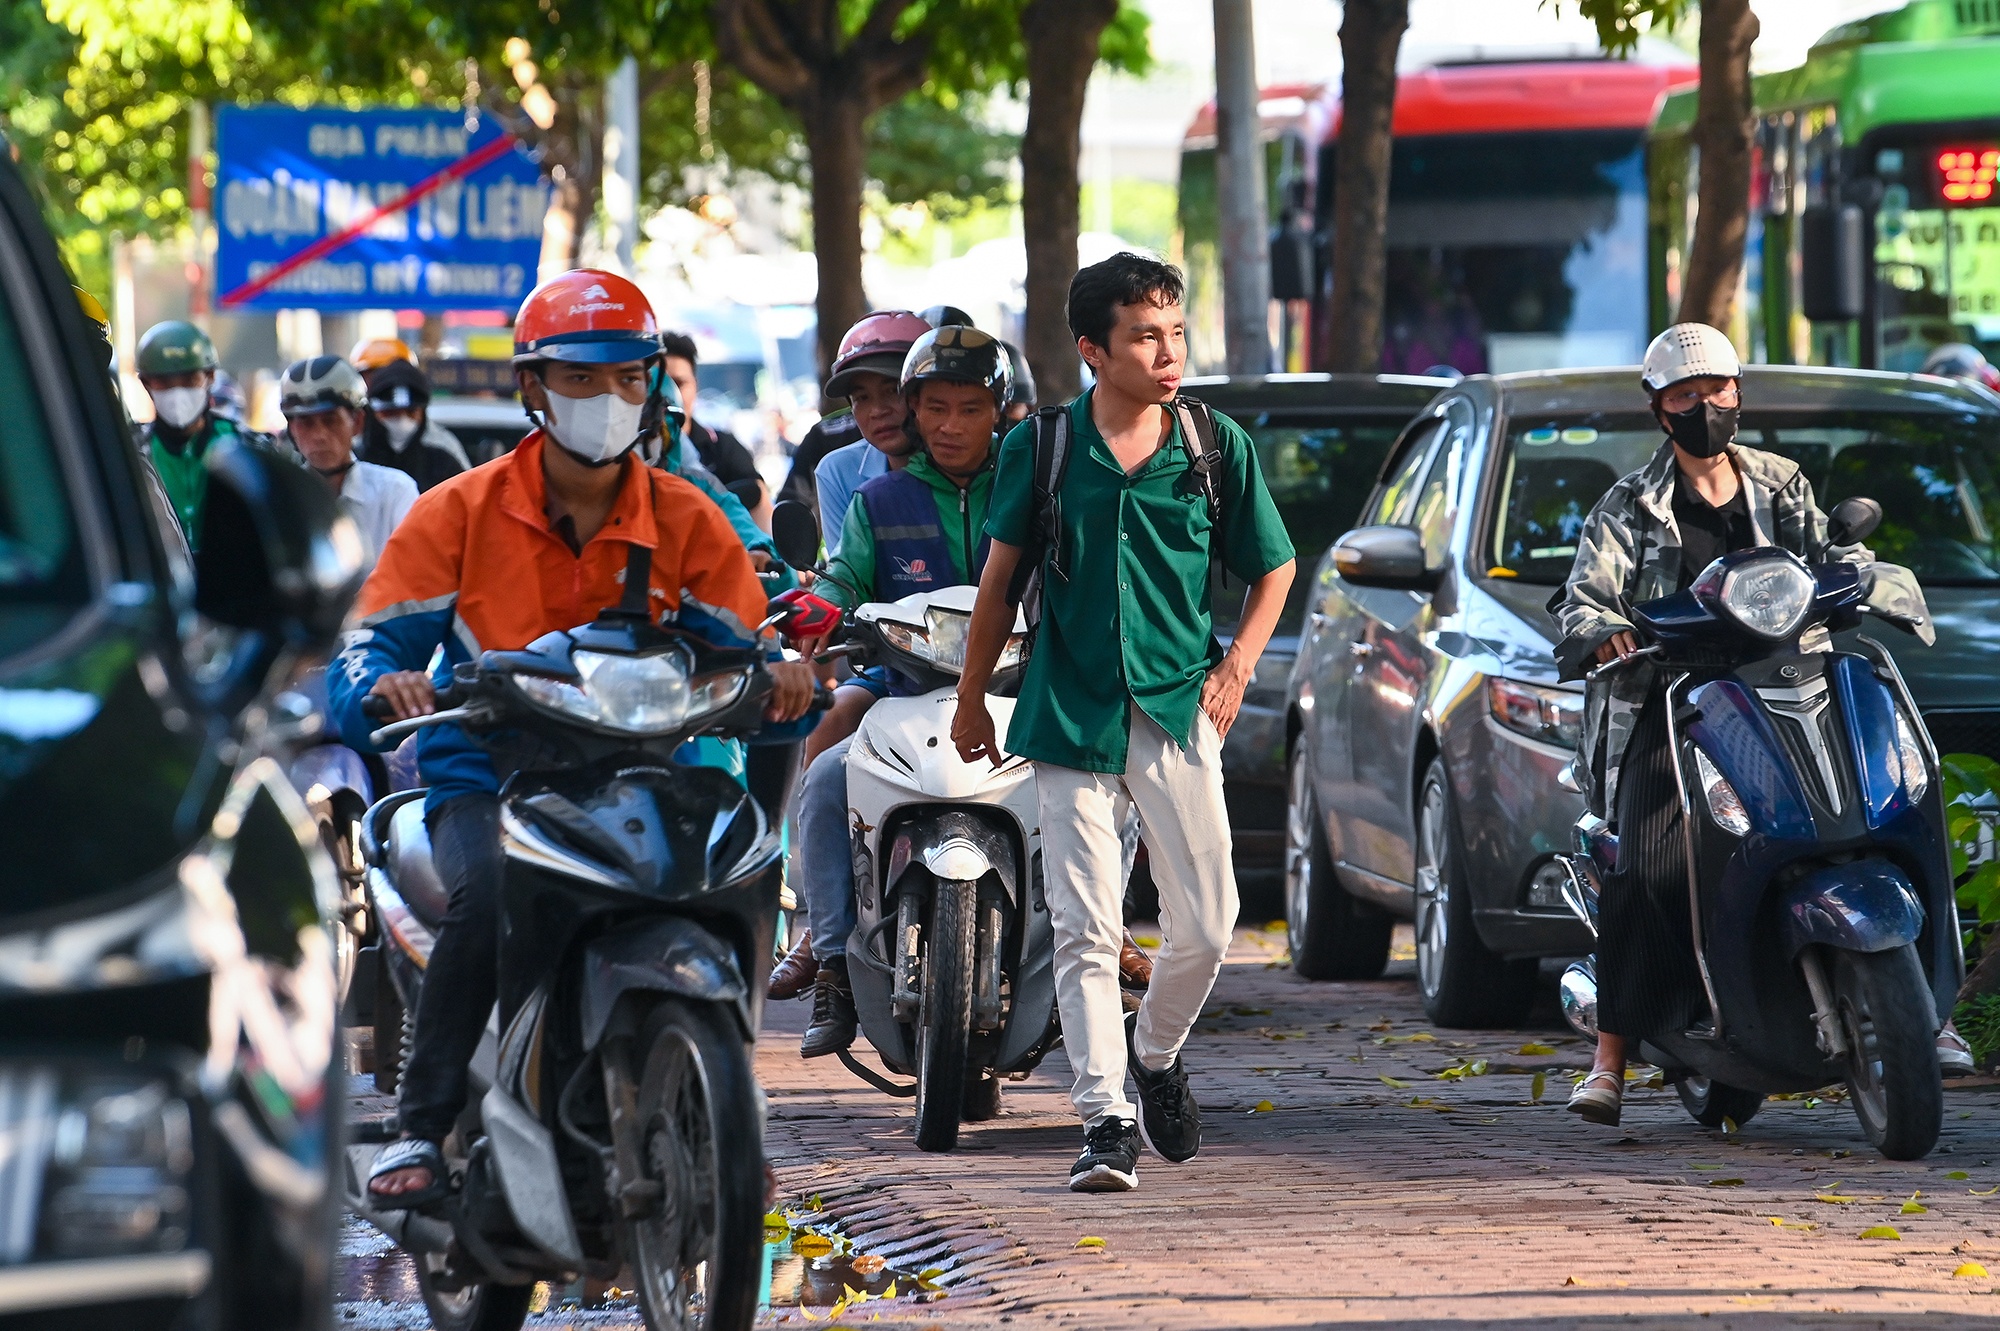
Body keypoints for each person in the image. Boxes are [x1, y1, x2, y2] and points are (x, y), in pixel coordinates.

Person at [332, 269, 818, 1209]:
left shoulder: (686, 516)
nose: (610, 400)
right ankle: (422, 1127)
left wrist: (785, 674)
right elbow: (372, 644)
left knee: (737, 868)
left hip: (646, 773)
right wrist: (384, 684)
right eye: (582, 380)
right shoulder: (459, 510)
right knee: (485, 899)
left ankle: (725, 1098)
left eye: (630, 379)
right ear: (533, 389)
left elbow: (753, 647)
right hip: (487, 777)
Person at [951, 253, 1296, 1192]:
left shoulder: (1213, 444)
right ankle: (1105, 1117)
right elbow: (1000, 581)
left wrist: (1238, 666)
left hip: (1180, 706)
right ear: (1094, 350)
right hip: (1069, 712)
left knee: (1212, 922)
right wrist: (973, 693)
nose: (1168, 351)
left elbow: (1274, 567)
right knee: (1086, 926)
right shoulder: (1045, 446)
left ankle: (1155, 1053)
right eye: (1145, 336)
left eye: (1176, 332)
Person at [1553, 322, 1946, 1125]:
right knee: (1646, 863)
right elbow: (1583, 599)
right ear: (1660, 410)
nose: (1705, 406)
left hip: (1793, 685)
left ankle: (1930, 1017)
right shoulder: (1629, 505)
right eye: (1685, 396)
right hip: (1674, 708)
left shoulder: (1782, 483)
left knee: (1901, 797)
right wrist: (1606, 631)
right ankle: (1611, 1058)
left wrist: (1860, 580)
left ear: (1739, 393)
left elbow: (1836, 559)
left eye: (1718, 390)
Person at [790, 324, 1012, 1056]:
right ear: (917, 413)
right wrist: (814, 611)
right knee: (825, 778)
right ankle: (832, 962)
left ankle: (1105, 939)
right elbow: (841, 580)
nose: (951, 426)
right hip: (903, 695)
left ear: (999, 409)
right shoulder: (879, 501)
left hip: (1021, 695)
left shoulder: (1031, 488)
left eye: (970, 408)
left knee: (1111, 774)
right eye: (935, 408)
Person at [134, 319, 269, 550]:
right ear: (146, 383)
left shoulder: (250, 447)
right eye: (164, 382)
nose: (177, 393)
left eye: (189, 380)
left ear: (211, 377)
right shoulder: (130, 452)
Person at [808, 311, 932, 553]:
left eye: (893, 391)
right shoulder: (837, 472)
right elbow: (846, 581)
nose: (877, 411)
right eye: (861, 398)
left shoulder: (984, 462)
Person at [279, 356, 418, 566]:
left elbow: (414, 576)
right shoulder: (279, 498)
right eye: (306, 423)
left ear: (357, 422)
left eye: (330, 421)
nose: (319, 435)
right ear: (291, 430)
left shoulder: (395, 492)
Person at [660, 331, 768, 520]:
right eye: (661, 385)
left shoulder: (724, 447)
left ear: (696, 385)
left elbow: (757, 499)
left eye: (679, 383)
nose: (670, 395)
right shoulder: (630, 452)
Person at [361, 359, 471, 493]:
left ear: (423, 413)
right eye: (390, 413)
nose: (401, 420)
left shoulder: (444, 458)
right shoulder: (357, 457)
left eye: (411, 412)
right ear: (373, 413)